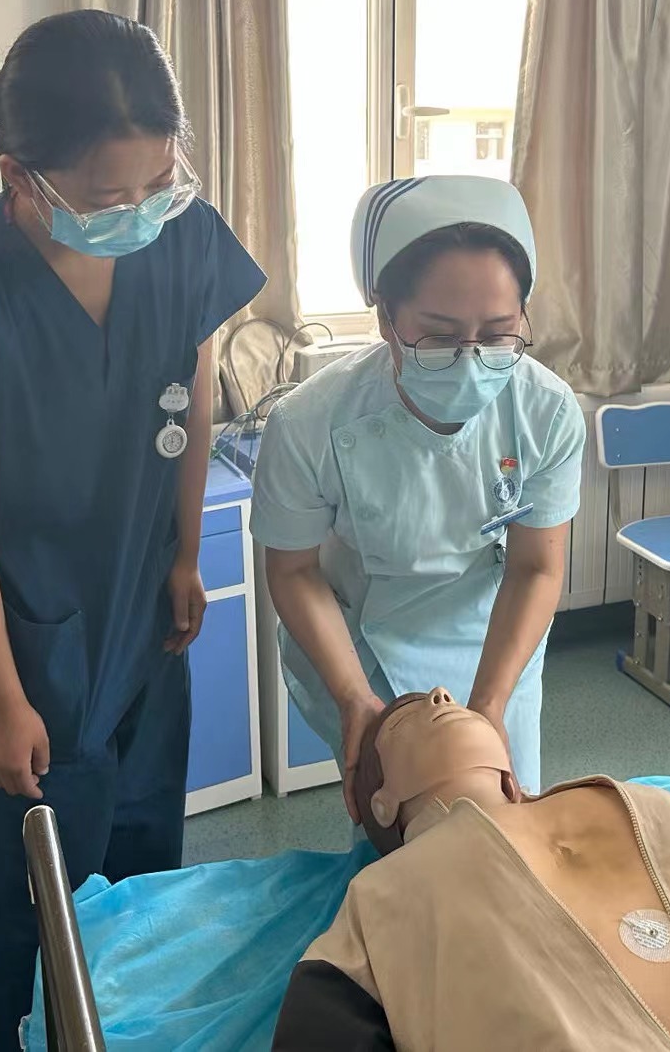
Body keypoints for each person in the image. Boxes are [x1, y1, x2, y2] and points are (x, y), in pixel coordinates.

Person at [0, 9, 266, 1049]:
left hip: (138, 617)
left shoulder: (180, 232)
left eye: (160, 183)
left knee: (148, 885)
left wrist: (183, 553)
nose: (142, 214)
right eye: (107, 199)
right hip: (24, 643)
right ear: (20, 176)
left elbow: (191, 386)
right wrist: (3, 702)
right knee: (41, 912)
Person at [250, 177, 586, 820]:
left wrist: (491, 705)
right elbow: (291, 572)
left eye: (498, 334)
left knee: (510, 817)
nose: (471, 360)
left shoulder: (545, 411)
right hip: (365, 644)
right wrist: (355, 699)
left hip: (492, 634)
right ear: (386, 319)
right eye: (438, 337)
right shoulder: (311, 422)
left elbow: (536, 566)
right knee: (398, 818)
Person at [273, 688, 670, 1050]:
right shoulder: (384, 894)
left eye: (448, 698)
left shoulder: (649, 805)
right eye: (406, 718)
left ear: (512, 778)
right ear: (382, 804)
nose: (441, 694)